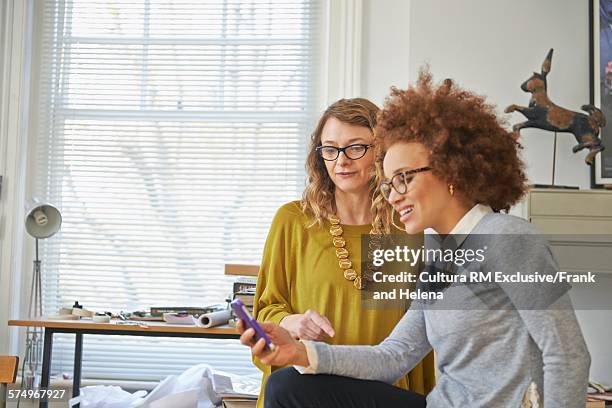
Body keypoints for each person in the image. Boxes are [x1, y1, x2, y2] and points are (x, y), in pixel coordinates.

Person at [240, 72, 591, 408]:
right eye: (390, 182)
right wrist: (299, 353)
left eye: (404, 178)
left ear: (450, 169)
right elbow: (394, 356)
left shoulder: (509, 239)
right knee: (287, 386)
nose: (393, 196)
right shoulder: (440, 254)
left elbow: (567, 354)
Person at [252, 98, 435, 407]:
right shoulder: (294, 220)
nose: (341, 161)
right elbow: (265, 311)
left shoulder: (407, 227)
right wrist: (293, 322)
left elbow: (417, 336)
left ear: (382, 151)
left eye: (356, 147)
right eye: (330, 149)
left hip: (376, 391)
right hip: (306, 389)